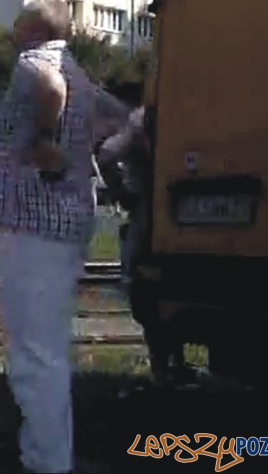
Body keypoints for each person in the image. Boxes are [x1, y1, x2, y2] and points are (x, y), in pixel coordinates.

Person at [0, 0, 130, 474]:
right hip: (63, 224)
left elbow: (49, 87)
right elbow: (124, 120)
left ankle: (46, 462)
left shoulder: (36, 61)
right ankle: (43, 451)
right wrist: (95, 164)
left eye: (18, 19)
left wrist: (44, 141)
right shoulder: (83, 74)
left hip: (32, 222)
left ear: (32, 27)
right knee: (47, 347)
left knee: (32, 353)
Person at [97, 105, 191, 391]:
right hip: (184, 211)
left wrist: (121, 191)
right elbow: (108, 154)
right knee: (166, 286)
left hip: (154, 211)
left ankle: (165, 370)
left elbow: (107, 155)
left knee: (151, 289)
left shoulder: (145, 115)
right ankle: (170, 368)